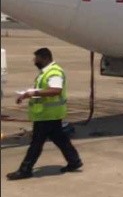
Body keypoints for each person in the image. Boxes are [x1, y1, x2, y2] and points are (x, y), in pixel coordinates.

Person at [6, 48, 82, 180]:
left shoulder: (54, 72)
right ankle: (74, 161)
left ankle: (25, 169)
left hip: (47, 115)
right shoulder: (46, 72)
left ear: (45, 58)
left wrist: (32, 93)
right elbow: (44, 90)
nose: (34, 61)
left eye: (37, 58)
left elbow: (55, 90)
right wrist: (25, 95)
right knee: (60, 139)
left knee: (36, 143)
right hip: (47, 114)